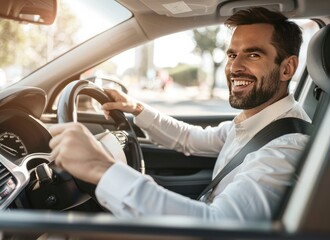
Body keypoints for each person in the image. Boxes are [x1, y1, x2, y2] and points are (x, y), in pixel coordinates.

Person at [49, 7, 311, 221]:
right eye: (232, 54)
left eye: (253, 54)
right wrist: (138, 108)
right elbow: (190, 137)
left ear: (287, 68)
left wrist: (100, 168)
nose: (234, 67)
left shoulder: (285, 148)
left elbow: (217, 229)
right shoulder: (255, 123)